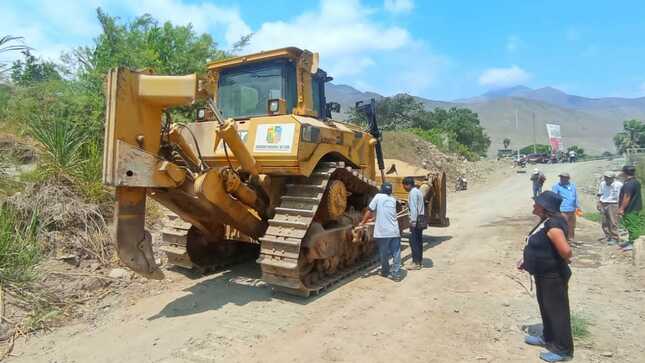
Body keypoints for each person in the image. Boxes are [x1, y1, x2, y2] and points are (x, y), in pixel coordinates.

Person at [519, 191, 574, 362]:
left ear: (544, 207)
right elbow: (541, 244)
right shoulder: (546, 222)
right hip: (544, 275)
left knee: (557, 312)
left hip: (553, 276)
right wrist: (526, 259)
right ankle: (548, 338)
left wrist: (561, 262)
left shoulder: (553, 226)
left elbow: (566, 251)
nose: (534, 205)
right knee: (546, 308)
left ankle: (562, 350)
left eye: (536, 203)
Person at [360, 182, 402, 280]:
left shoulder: (378, 197)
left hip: (383, 232)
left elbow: (369, 211)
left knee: (384, 253)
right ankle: (396, 274)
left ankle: (385, 271)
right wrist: (374, 219)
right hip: (395, 231)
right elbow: (387, 213)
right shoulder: (393, 199)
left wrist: (362, 222)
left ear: (381, 190)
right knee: (396, 252)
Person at [402, 176, 425, 270]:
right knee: (419, 240)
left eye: (404, 185)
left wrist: (413, 221)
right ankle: (418, 261)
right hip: (421, 218)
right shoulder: (418, 191)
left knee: (414, 241)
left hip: (416, 220)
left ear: (408, 185)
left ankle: (416, 263)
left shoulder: (412, 193)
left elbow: (414, 208)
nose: (403, 188)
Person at [618, 165, 642, 252]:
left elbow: (627, 197)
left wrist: (621, 208)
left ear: (624, 172)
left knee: (632, 226)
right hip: (634, 208)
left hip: (631, 209)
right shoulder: (635, 182)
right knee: (629, 225)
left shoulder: (629, 184)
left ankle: (633, 243)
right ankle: (631, 241)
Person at [596, 171, 622, 245]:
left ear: (613, 178)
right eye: (605, 177)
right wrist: (598, 202)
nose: (606, 179)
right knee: (604, 222)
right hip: (603, 203)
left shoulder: (619, 185)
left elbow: (622, 195)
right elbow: (600, 194)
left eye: (608, 178)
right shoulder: (602, 184)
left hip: (613, 204)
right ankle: (608, 236)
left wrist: (620, 207)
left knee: (613, 221)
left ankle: (615, 238)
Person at [552, 172, 579, 241]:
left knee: (572, 226)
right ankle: (564, 240)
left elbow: (575, 196)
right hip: (562, 209)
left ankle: (571, 239)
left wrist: (577, 206)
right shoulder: (557, 186)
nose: (561, 179)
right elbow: (554, 197)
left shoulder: (572, 186)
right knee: (563, 225)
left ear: (567, 179)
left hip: (572, 209)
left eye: (563, 177)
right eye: (561, 177)